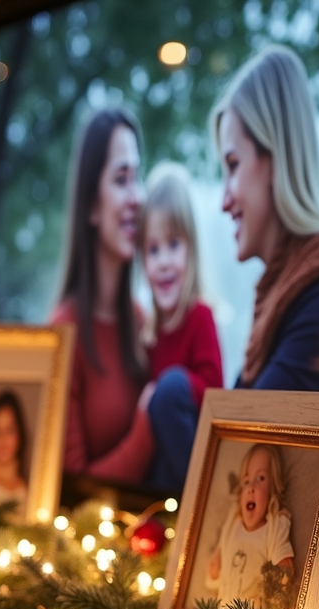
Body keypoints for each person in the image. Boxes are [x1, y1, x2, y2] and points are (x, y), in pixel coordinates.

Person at [147, 45, 319, 490]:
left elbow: (242, 476)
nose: (224, 199)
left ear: (274, 157)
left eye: (233, 166)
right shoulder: (286, 290)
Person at [51, 108, 153, 486]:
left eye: (137, 177)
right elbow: (74, 490)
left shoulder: (142, 320)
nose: (137, 197)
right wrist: (147, 427)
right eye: (121, 179)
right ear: (92, 206)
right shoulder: (64, 333)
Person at [138, 163, 223, 488]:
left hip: (197, 451)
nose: (163, 262)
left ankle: (200, 499)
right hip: (164, 465)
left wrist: (165, 391)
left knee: (171, 386)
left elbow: (214, 389)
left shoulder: (200, 316)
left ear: (192, 250)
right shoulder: (149, 332)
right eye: (153, 249)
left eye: (173, 245)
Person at [207, 444, 294, 609]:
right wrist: (216, 561)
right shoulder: (234, 521)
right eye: (246, 481)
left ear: (273, 487)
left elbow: (284, 565)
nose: (251, 488)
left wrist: (282, 579)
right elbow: (222, 548)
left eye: (260, 478)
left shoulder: (275, 525)